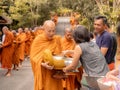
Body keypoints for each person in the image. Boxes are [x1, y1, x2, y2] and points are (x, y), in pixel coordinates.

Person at [62, 25, 109, 89]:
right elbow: (84, 52)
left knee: (84, 83)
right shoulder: (93, 44)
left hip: (94, 77)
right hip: (106, 75)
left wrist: (64, 70)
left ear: (76, 37)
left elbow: (73, 66)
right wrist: (69, 51)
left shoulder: (79, 47)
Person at [30, 20, 63, 90]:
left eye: (53, 31)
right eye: (49, 31)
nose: (51, 33)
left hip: (55, 73)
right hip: (44, 73)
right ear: (44, 30)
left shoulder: (57, 39)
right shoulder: (38, 40)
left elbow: (61, 55)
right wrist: (42, 64)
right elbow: (33, 57)